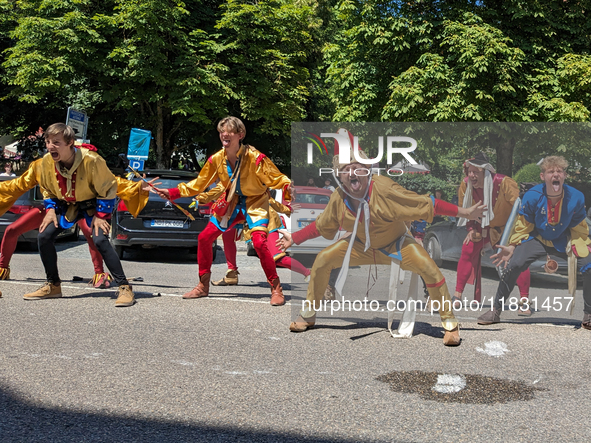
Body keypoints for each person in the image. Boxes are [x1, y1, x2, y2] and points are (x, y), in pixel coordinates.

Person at [277, 129, 487, 346]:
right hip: (360, 246)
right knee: (322, 260)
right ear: (338, 175)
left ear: (367, 170)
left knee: (428, 266)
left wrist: (465, 212)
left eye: (357, 167)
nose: (352, 173)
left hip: (396, 244)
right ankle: (308, 315)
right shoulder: (338, 199)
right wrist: (294, 238)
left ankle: (450, 323)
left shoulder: (384, 189)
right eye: (346, 169)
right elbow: (321, 225)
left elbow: (425, 204)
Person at [0, 123, 149, 306]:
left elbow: (110, 185)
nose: (50, 146)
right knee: (44, 236)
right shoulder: (44, 164)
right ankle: (53, 285)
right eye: (48, 142)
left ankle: (124, 288)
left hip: (93, 206)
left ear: (70, 142)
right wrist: (50, 210)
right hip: (64, 206)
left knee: (100, 240)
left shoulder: (92, 160)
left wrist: (101, 216)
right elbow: (46, 189)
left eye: (56, 142)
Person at [153, 116, 292, 305]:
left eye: (229, 131)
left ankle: (276, 289)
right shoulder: (216, 159)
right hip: (231, 202)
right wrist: (172, 192)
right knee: (204, 238)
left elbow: (278, 178)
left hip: (255, 202)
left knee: (259, 242)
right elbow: (199, 184)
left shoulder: (256, 158)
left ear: (240, 135)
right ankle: (203, 286)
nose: (224, 134)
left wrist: (288, 188)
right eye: (221, 131)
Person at [477, 156, 591, 330]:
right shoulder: (532, 196)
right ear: (542, 176)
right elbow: (523, 225)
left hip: (564, 239)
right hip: (537, 237)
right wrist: (512, 245)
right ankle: (495, 311)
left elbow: (579, 225)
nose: (556, 174)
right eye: (551, 171)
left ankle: (588, 315)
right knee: (514, 264)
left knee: (588, 264)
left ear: (565, 175)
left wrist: (583, 243)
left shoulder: (576, 197)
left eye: (559, 171)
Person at [455, 152, 530, 310]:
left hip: (505, 228)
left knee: (517, 259)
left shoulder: (504, 182)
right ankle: (457, 295)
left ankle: (524, 299)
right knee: (467, 249)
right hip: (481, 227)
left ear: (485, 171)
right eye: (470, 171)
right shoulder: (465, 184)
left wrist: (516, 234)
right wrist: (470, 229)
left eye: (475, 172)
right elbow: (465, 210)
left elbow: (519, 207)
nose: (471, 175)